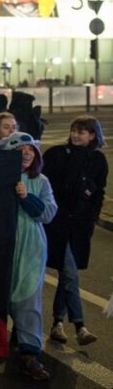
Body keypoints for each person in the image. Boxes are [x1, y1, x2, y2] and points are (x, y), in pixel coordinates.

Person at [43, 116, 107, 347]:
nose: (77, 135)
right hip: (57, 224)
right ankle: (80, 326)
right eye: (74, 130)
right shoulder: (56, 154)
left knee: (66, 273)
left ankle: (58, 323)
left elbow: (98, 193)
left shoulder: (98, 160)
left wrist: (92, 219)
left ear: (93, 135)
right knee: (69, 272)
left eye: (83, 132)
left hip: (80, 226)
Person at [0, 132, 57, 381]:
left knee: (29, 296)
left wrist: (26, 197)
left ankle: (29, 354)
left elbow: (49, 213)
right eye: (20, 149)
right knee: (0, 294)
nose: (26, 153)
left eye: (30, 150)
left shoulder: (40, 180)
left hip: (31, 246)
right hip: (1, 243)